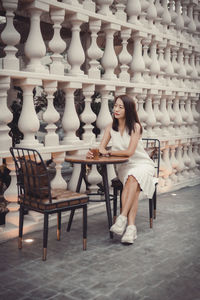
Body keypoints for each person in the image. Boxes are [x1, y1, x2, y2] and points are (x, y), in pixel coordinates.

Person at [87, 95, 158, 244]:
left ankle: (123, 218)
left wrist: (109, 152)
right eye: (115, 106)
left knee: (133, 178)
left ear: (128, 109)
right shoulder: (110, 127)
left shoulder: (135, 127)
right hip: (124, 166)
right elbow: (101, 147)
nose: (116, 109)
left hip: (141, 164)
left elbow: (129, 152)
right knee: (132, 181)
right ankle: (130, 228)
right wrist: (96, 151)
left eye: (121, 107)